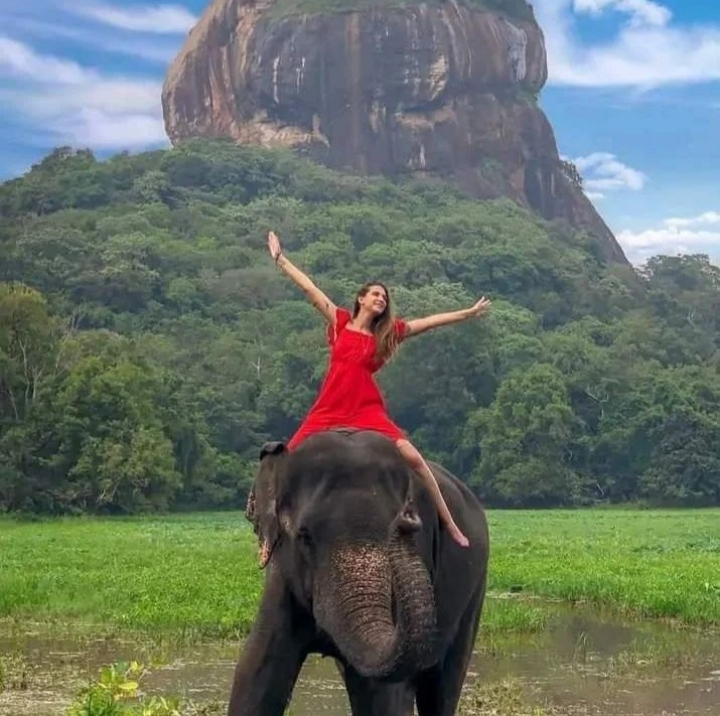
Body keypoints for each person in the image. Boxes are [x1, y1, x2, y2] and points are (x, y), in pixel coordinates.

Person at [267, 230, 491, 547]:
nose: (381, 299)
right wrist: (280, 259)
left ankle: (450, 523)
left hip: (366, 408)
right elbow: (309, 288)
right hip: (330, 406)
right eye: (375, 294)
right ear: (361, 299)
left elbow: (429, 322)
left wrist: (465, 314)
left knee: (414, 458)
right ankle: (271, 526)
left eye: (384, 297)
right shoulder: (340, 322)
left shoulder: (387, 333)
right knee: (287, 460)